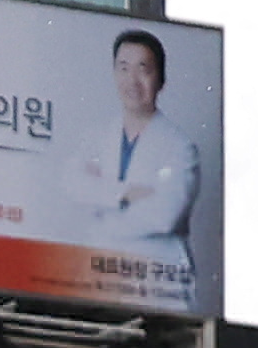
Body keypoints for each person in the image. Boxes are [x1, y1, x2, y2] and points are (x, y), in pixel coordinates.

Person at [70, 27, 205, 307]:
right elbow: (72, 185)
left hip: (159, 285)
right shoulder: (96, 137)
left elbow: (163, 216)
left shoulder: (180, 148)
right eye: (123, 68)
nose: (132, 80)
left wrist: (102, 203)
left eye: (143, 69)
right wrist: (126, 193)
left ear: (160, 80)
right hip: (101, 279)